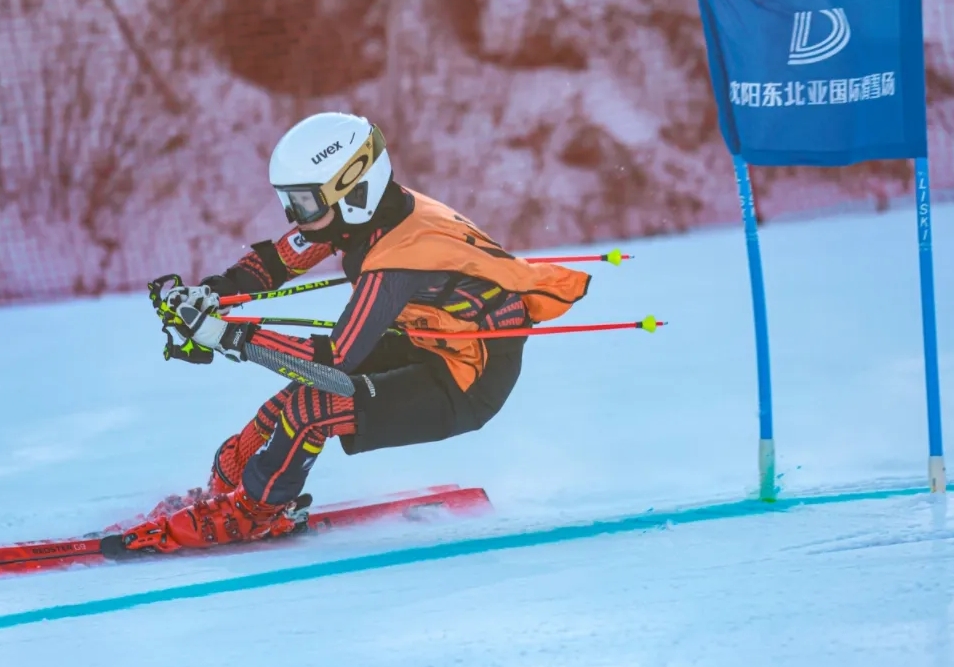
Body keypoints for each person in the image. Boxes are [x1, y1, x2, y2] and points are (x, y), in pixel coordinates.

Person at [121, 111, 591, 553]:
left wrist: (229, 338)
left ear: (354, 188)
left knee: (313, 405)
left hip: (467, 380)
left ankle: (255, 511)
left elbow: (331, 364)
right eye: (289, 202)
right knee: (283, 406)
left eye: (302, 202)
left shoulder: (399, 257)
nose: (295, 217)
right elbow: (278, 261)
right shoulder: (358, 217)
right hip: (428, 340)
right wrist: (212, 295)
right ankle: (227, 485)